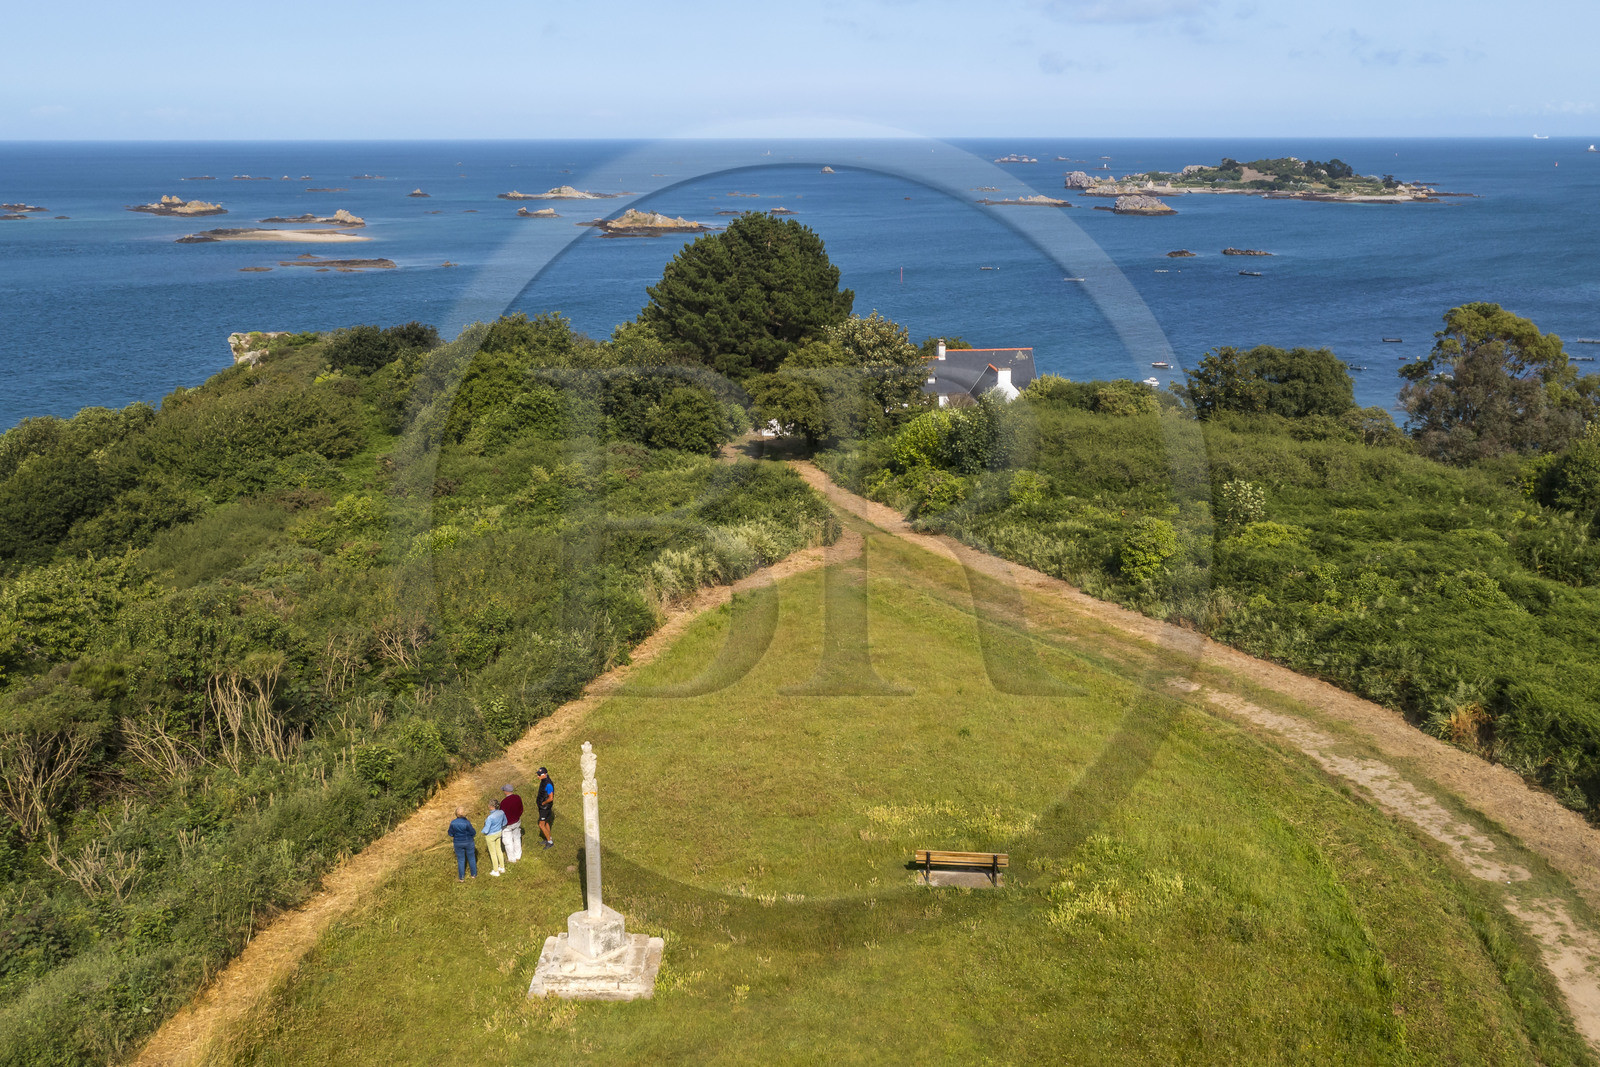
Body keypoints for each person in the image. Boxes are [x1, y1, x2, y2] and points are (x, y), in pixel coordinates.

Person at [447, 805, 477, 881]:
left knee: (460, 860)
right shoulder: (467, 822)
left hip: (458, 842)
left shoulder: (453, 823)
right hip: (468, 842)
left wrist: (454, 835)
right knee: (471, 858)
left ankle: (461, 877)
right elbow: (473, 832)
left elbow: (450, 833)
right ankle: (473, 874)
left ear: (456, 814)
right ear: (464, 814)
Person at [500, 784, 524, 864]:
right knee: (517, 838)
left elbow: (502, 815)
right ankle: (518, 855)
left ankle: (512, 859)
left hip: (507, 825)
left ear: (506, 792)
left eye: (504, 790)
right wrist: (517, 816)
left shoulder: (504, 802)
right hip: (516, 821)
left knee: (508, 842)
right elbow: (521, 809)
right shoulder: (517, 797)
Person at [483, 800, 507, 876]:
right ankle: (502, 867)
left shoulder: (490, 817)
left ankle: (496, 870)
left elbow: (486, 830)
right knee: (499, 850)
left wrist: (483, 832)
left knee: (493, 853)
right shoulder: (502, 812)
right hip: (499, 833)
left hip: (491, 836)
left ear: (491, 806)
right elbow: (505, 822)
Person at [535, 766, 555, 850]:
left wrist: (543, 803)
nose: (538, 776)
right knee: (546, 822)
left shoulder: (548, 784)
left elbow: (551, 798)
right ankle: (548, 838)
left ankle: (550, 842)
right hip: (542, 807)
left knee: (541, 825)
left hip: (545, 807)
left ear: (545, 774)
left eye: (539, 775)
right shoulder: (543, 781)